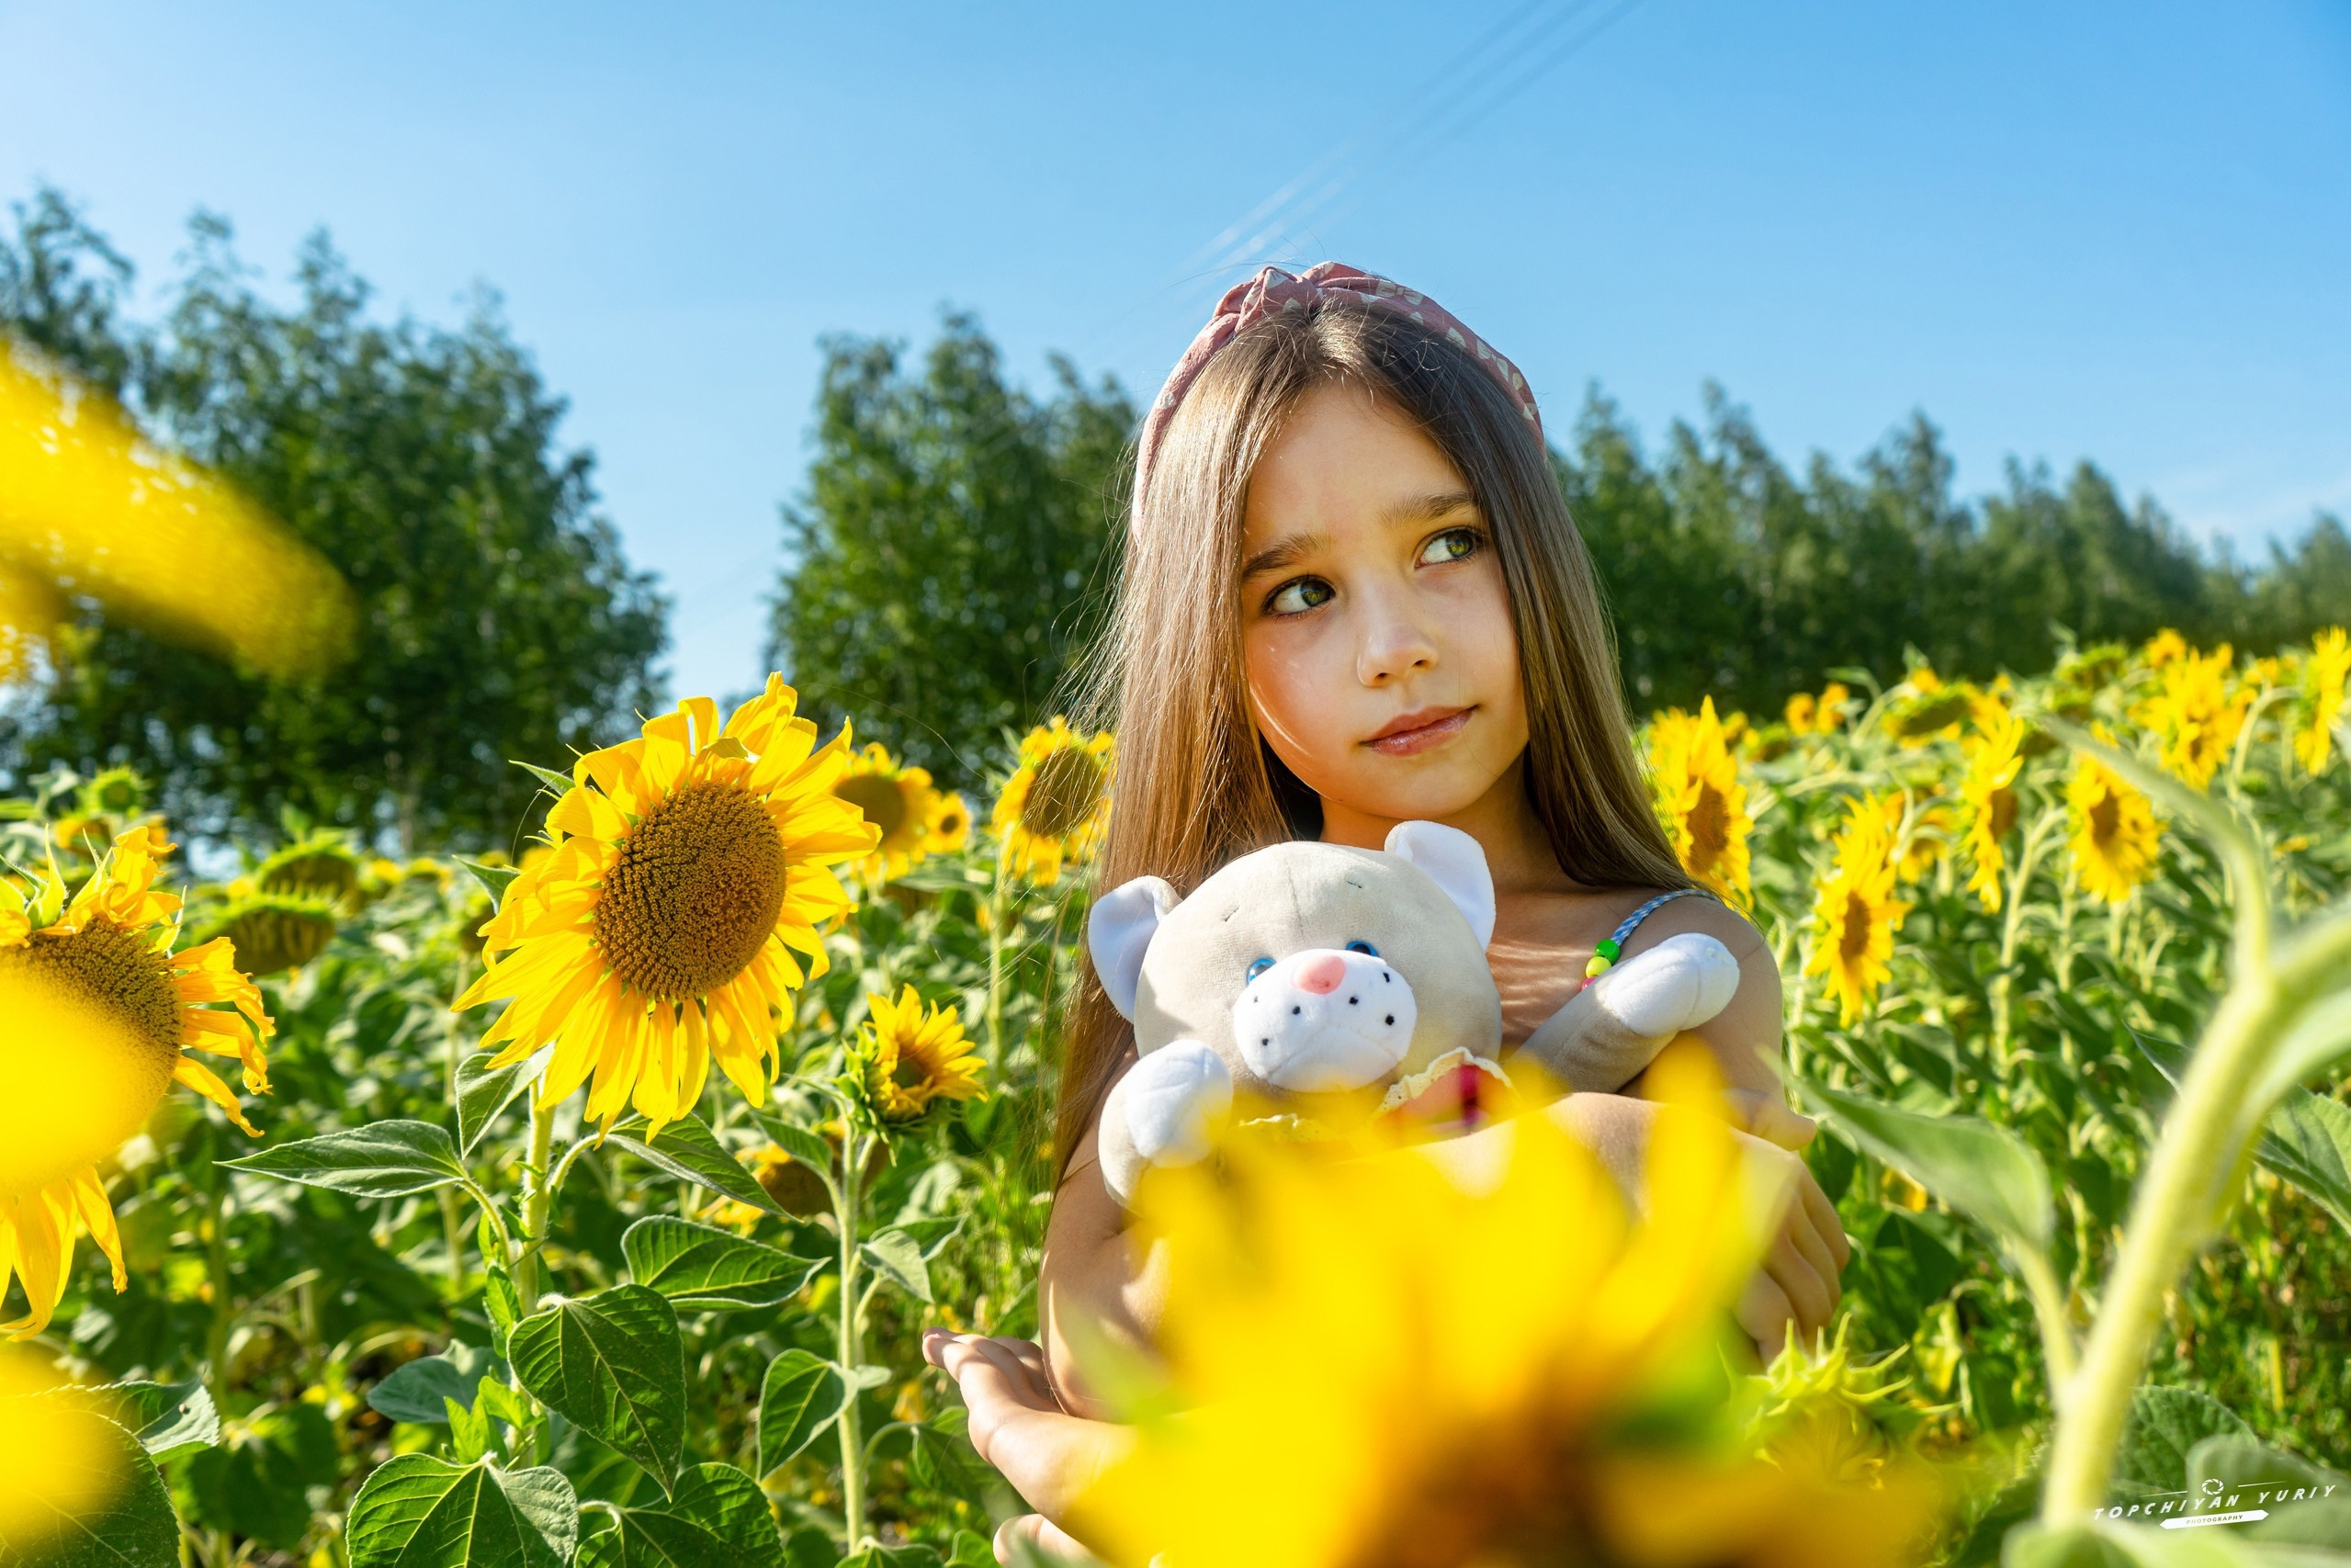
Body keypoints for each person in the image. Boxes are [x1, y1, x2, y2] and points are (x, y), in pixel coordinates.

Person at [924, 264, 1848, 1564]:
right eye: (1298, 592)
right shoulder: (1206, 968)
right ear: (1218, 662)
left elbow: (1713, 1330)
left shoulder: (1668, 951)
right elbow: (1099, 1334)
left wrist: (1074, 1456)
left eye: (1447, 545)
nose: (1393, 644)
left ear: (1538, 560)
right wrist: (1561, 1156)